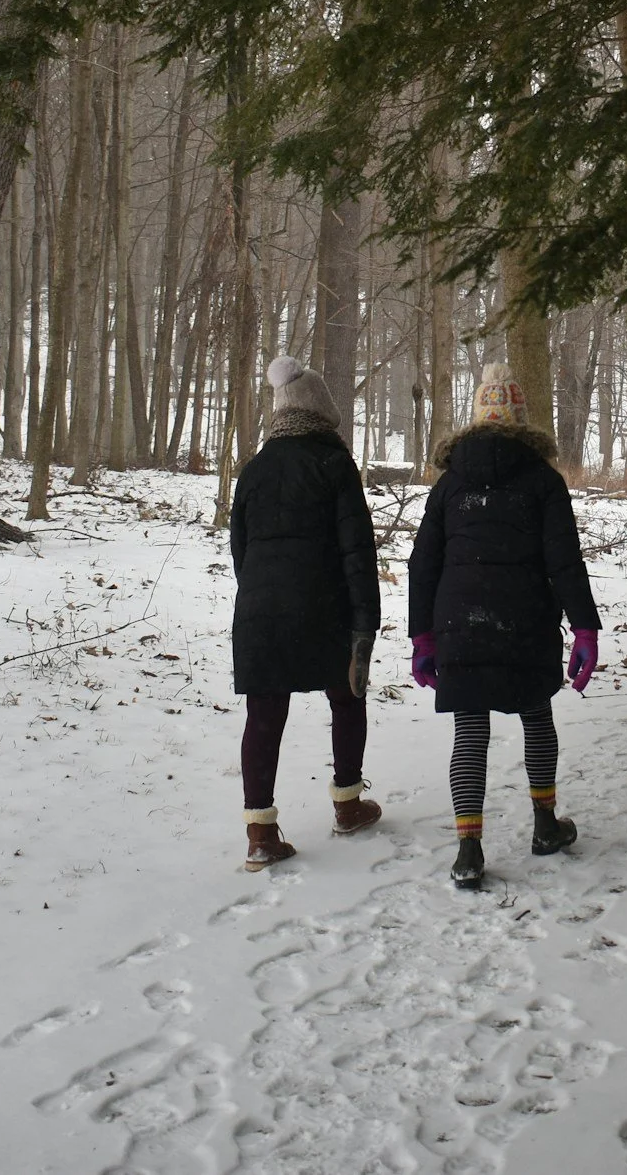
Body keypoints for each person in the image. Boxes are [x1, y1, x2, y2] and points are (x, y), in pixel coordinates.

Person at [408, 361, 602, 890]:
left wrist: (422, 636)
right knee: (536, 717)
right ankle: (545, 825)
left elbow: (422, 564)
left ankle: (468, 850)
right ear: (521, 419)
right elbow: (564, 562)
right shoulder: (543, 481)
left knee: (470, 729)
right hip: (526, 620)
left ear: (476, 420)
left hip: (459, 621)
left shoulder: (449, 485)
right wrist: (584, 628)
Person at [229, 356, 383, 871]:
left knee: (263, 716)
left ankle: (260, 834)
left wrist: (260, 597)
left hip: (259, 611)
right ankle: (348, 804)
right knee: (347, 698)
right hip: (325, 608)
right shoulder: (334, 464)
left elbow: (240, 549)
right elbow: (357, 551)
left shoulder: (254, 469)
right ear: (322, 410)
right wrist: (365, 622)